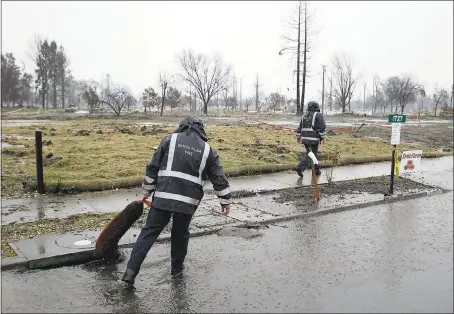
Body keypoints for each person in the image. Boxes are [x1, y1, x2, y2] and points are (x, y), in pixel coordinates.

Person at [122, 117, 232, 286]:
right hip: (187, 202)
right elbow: (218, 177)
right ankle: (177, 271)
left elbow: (153, 166)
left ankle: (130, 273)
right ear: (201, 130)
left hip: (163, 198)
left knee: (149, 232)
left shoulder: (169, 140)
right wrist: (225, 200)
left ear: (181, 127)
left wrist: (147, 189)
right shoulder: (208, 150)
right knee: (180, 234)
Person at [295, 101, 327, 177]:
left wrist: (298, 136)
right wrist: (323, 137)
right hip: (313, 139)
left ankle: (316, 170)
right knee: (311, 155)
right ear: (317, 107)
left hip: (305, 139)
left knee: (313, 154)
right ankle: (300, 167)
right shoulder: (318, 115)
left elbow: (299, 128)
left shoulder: (304, 116)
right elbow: (322, 127)